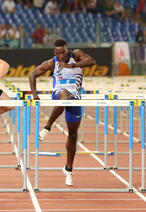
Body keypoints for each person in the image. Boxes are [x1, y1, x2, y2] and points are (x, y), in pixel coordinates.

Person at [28, 39, 96, 186]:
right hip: (59, 93)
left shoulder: (76, 54)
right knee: (64, 94)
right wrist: (35, 96)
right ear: (54, 52)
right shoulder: (52, 63)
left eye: (63, 52)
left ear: (67, 49)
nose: (61, 55)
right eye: (57, 53)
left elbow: (91, 61)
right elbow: (32, 75)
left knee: (73, 135)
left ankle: (68, 169)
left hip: (76, 98)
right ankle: (47, 127)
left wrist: (72, 65)